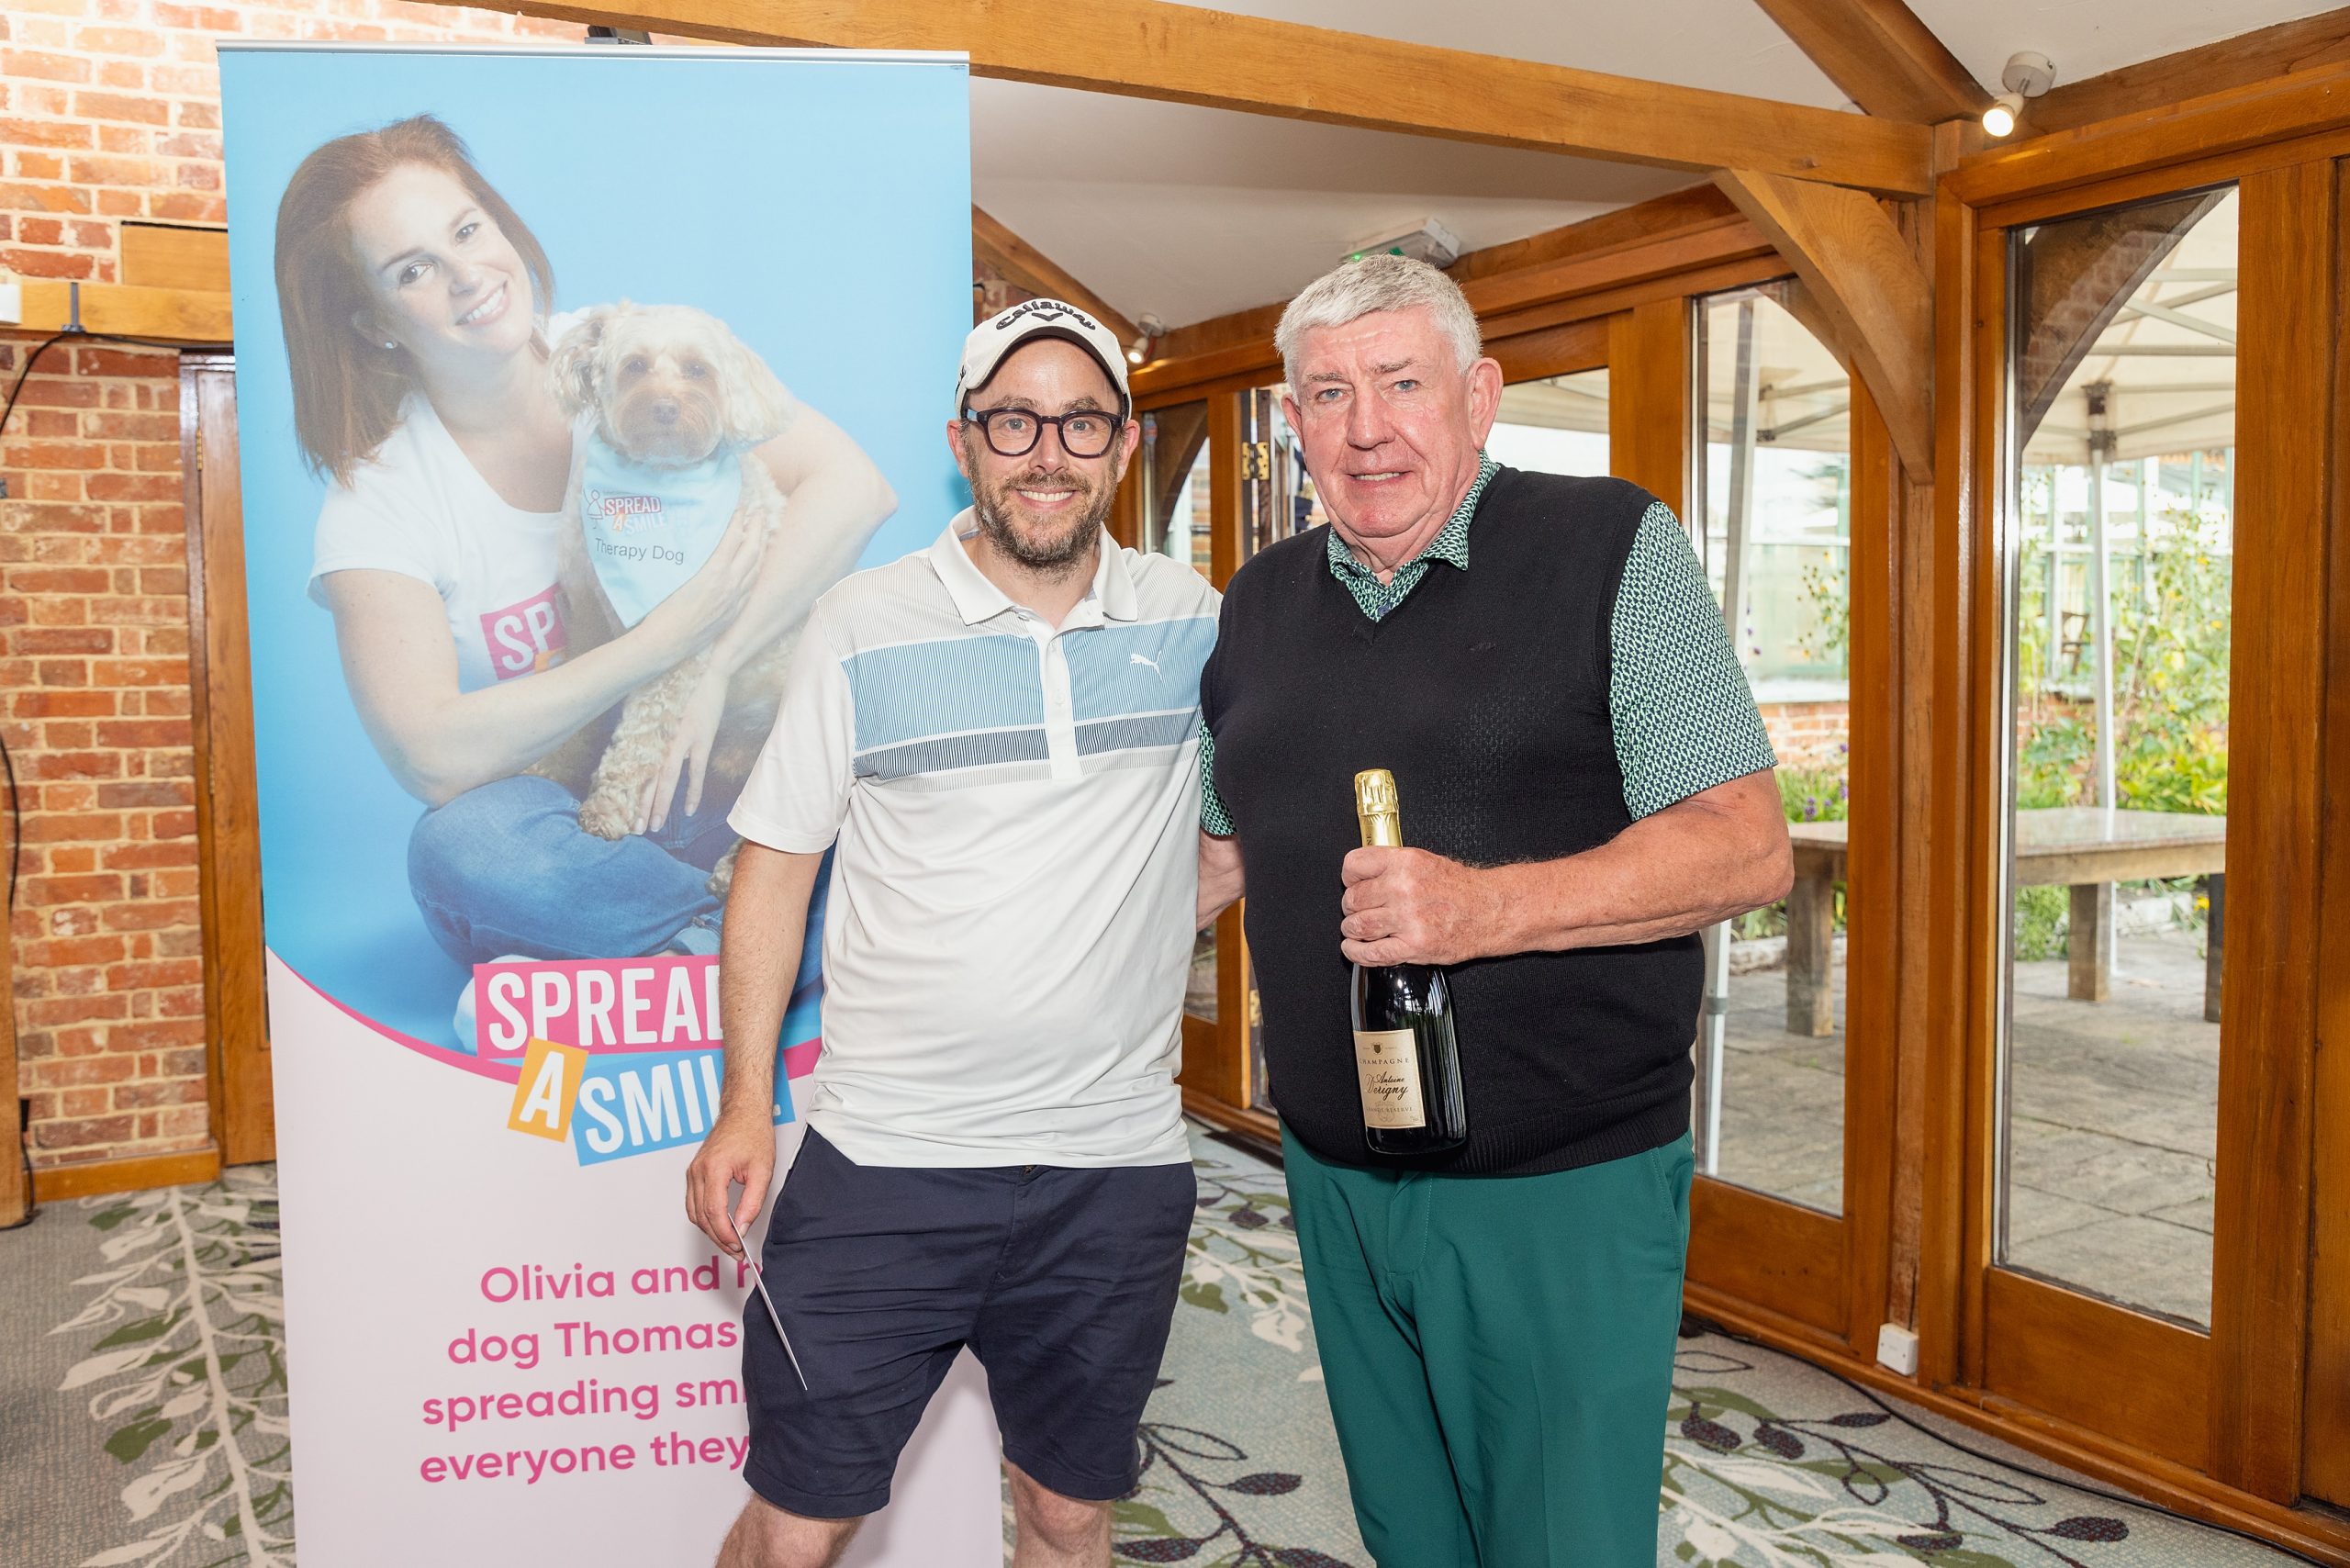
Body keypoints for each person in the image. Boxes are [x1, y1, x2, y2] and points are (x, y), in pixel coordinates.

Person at [1195, 253, 1793, 1566]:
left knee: (1559, 1543)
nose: (1367, 428)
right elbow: (1215, 857)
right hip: (1333, 1174)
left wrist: (1485, 909)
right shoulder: (1257, 602)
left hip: (1556, 1183)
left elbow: (1745, 848)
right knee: (1410, 1535)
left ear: (1479, 395)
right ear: (1291, 420)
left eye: (1402, 384)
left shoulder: (1610, 546)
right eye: (1329, 393)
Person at [684, 298, 1221, 1568]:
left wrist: (1157, 908)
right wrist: (744, 1105)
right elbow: (774, 869)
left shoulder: (1192, 620)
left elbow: (1251, 814)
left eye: (1080, 423)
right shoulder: (863, 622)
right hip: (888, 1158)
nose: (1048, 452)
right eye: (1014, 421)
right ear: (963, 441)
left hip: (1112, 1166)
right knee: (800, 1524)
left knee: (1067, 1512)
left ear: (1124, 445)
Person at [277, 115, 894, 976]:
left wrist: (718, 664)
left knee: (891, 790)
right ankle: (766, 930)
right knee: (465, 851)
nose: (468, 277)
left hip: (740, 779)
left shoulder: (623, 351)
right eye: (413, 270)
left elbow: (856, 487)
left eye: (467, 231)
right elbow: (430, 755)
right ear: (374, 321)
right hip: (579, 820)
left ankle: (673, 948)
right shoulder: (380, 499)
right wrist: (663, 641)